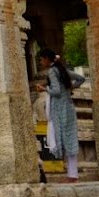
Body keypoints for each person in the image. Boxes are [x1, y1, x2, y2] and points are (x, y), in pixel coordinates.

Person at [37, 49, 86, 182]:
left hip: (58, 108)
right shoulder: (62, 70)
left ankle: (71, 174)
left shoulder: (53, 71)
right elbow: (81, 79)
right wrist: (70, 89)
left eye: (41, 59)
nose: (41, 62)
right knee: (69, 138)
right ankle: (72, 174)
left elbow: (56, 91)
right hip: (68, 107)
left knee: (59, 138)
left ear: (47, 59)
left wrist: (44, 89)